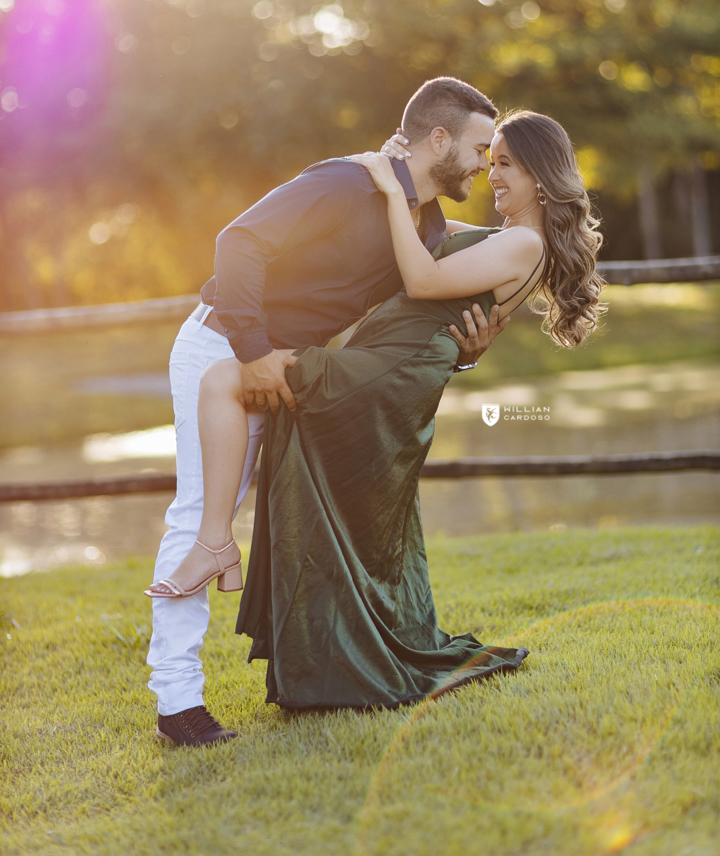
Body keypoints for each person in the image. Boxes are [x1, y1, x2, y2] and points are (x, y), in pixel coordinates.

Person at [155, 109, 606, 714]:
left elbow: (424, 284)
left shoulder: (512, 239)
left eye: (501, 162)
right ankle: (203, 681)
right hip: (310, 354)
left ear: (541, 178)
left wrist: (396, 191)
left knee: (223, 388)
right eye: (484, 153)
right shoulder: (410, 206)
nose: (487, 170)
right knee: (296, 496)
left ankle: (219, 547)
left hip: (373, 372)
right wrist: (398, 183)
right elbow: (242, 241)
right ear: (439, 138)